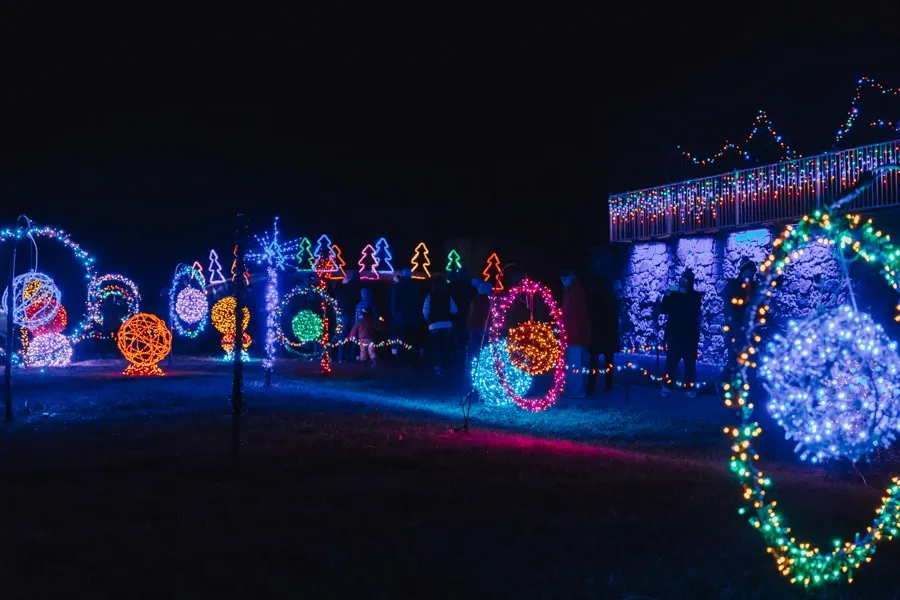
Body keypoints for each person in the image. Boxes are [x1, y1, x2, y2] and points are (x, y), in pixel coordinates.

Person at [660, 268, 702, 397]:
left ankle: (689, 388)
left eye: (687, 280)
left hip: (689, 334)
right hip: (674, 333)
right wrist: (667, 295)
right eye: (682, 279)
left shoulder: (695, 296)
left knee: (690, 363)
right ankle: (667, 385)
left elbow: (693, 309)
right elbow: (663, 309)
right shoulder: (673, 294)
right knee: (671, 361)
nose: (684, 282)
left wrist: (684, 295)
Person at [723, 259, 757, 377]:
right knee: (734, 359)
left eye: (753, 271)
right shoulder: (733, 286)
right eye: (750, 271)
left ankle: (746, 385)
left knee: (750, 359)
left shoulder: (753, 287)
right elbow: (729, 308)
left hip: (750, 331)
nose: (752, 274)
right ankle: (728, 385)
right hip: (736, 329)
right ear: (743, 271)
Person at [561, 269, 591, 398]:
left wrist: (575, 334)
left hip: (575, 335)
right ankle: (575, 388)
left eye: (564, 278)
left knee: (576, 362)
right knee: (574, 362)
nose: (562, 281)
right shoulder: (570, 291)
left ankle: (578, 390)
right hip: (571, 333)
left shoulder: (575, 292)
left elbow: (577, 316)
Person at [587, 272, 618, 394]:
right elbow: (614, 317)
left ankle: (592, 384)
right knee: (608, 361)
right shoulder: (610, 298)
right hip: (607, 335)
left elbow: (590, 316)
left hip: (597, 334)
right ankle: (608, 383)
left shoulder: (593, 298)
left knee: (594, 361)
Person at [423, 274, 458, 375]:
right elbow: (454, 310)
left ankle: (438, 366)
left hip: (434, 325)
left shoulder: (430, 296)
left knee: (437, 345)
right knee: (446, 345)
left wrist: (428, 319)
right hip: (447, 324)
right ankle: (445, 366)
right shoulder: (448, 296)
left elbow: (425, 310)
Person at [390, 268, 422, 365]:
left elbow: (393, 302)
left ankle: (399, 359)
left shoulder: (398, 287)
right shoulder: (415, 287)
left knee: (400, 338)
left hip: (400, 318)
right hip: (413, 318)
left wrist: (394, 313)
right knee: (411, 339)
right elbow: (419, 302)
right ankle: (411, 360)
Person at [466, 282, 493, 364]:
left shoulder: (475, 300)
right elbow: (486, 314)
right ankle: (481, 362)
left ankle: (473, 362)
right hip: (482, 326)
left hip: (473, 326)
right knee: (482, 345)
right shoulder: (486, 301)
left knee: (474, 345)